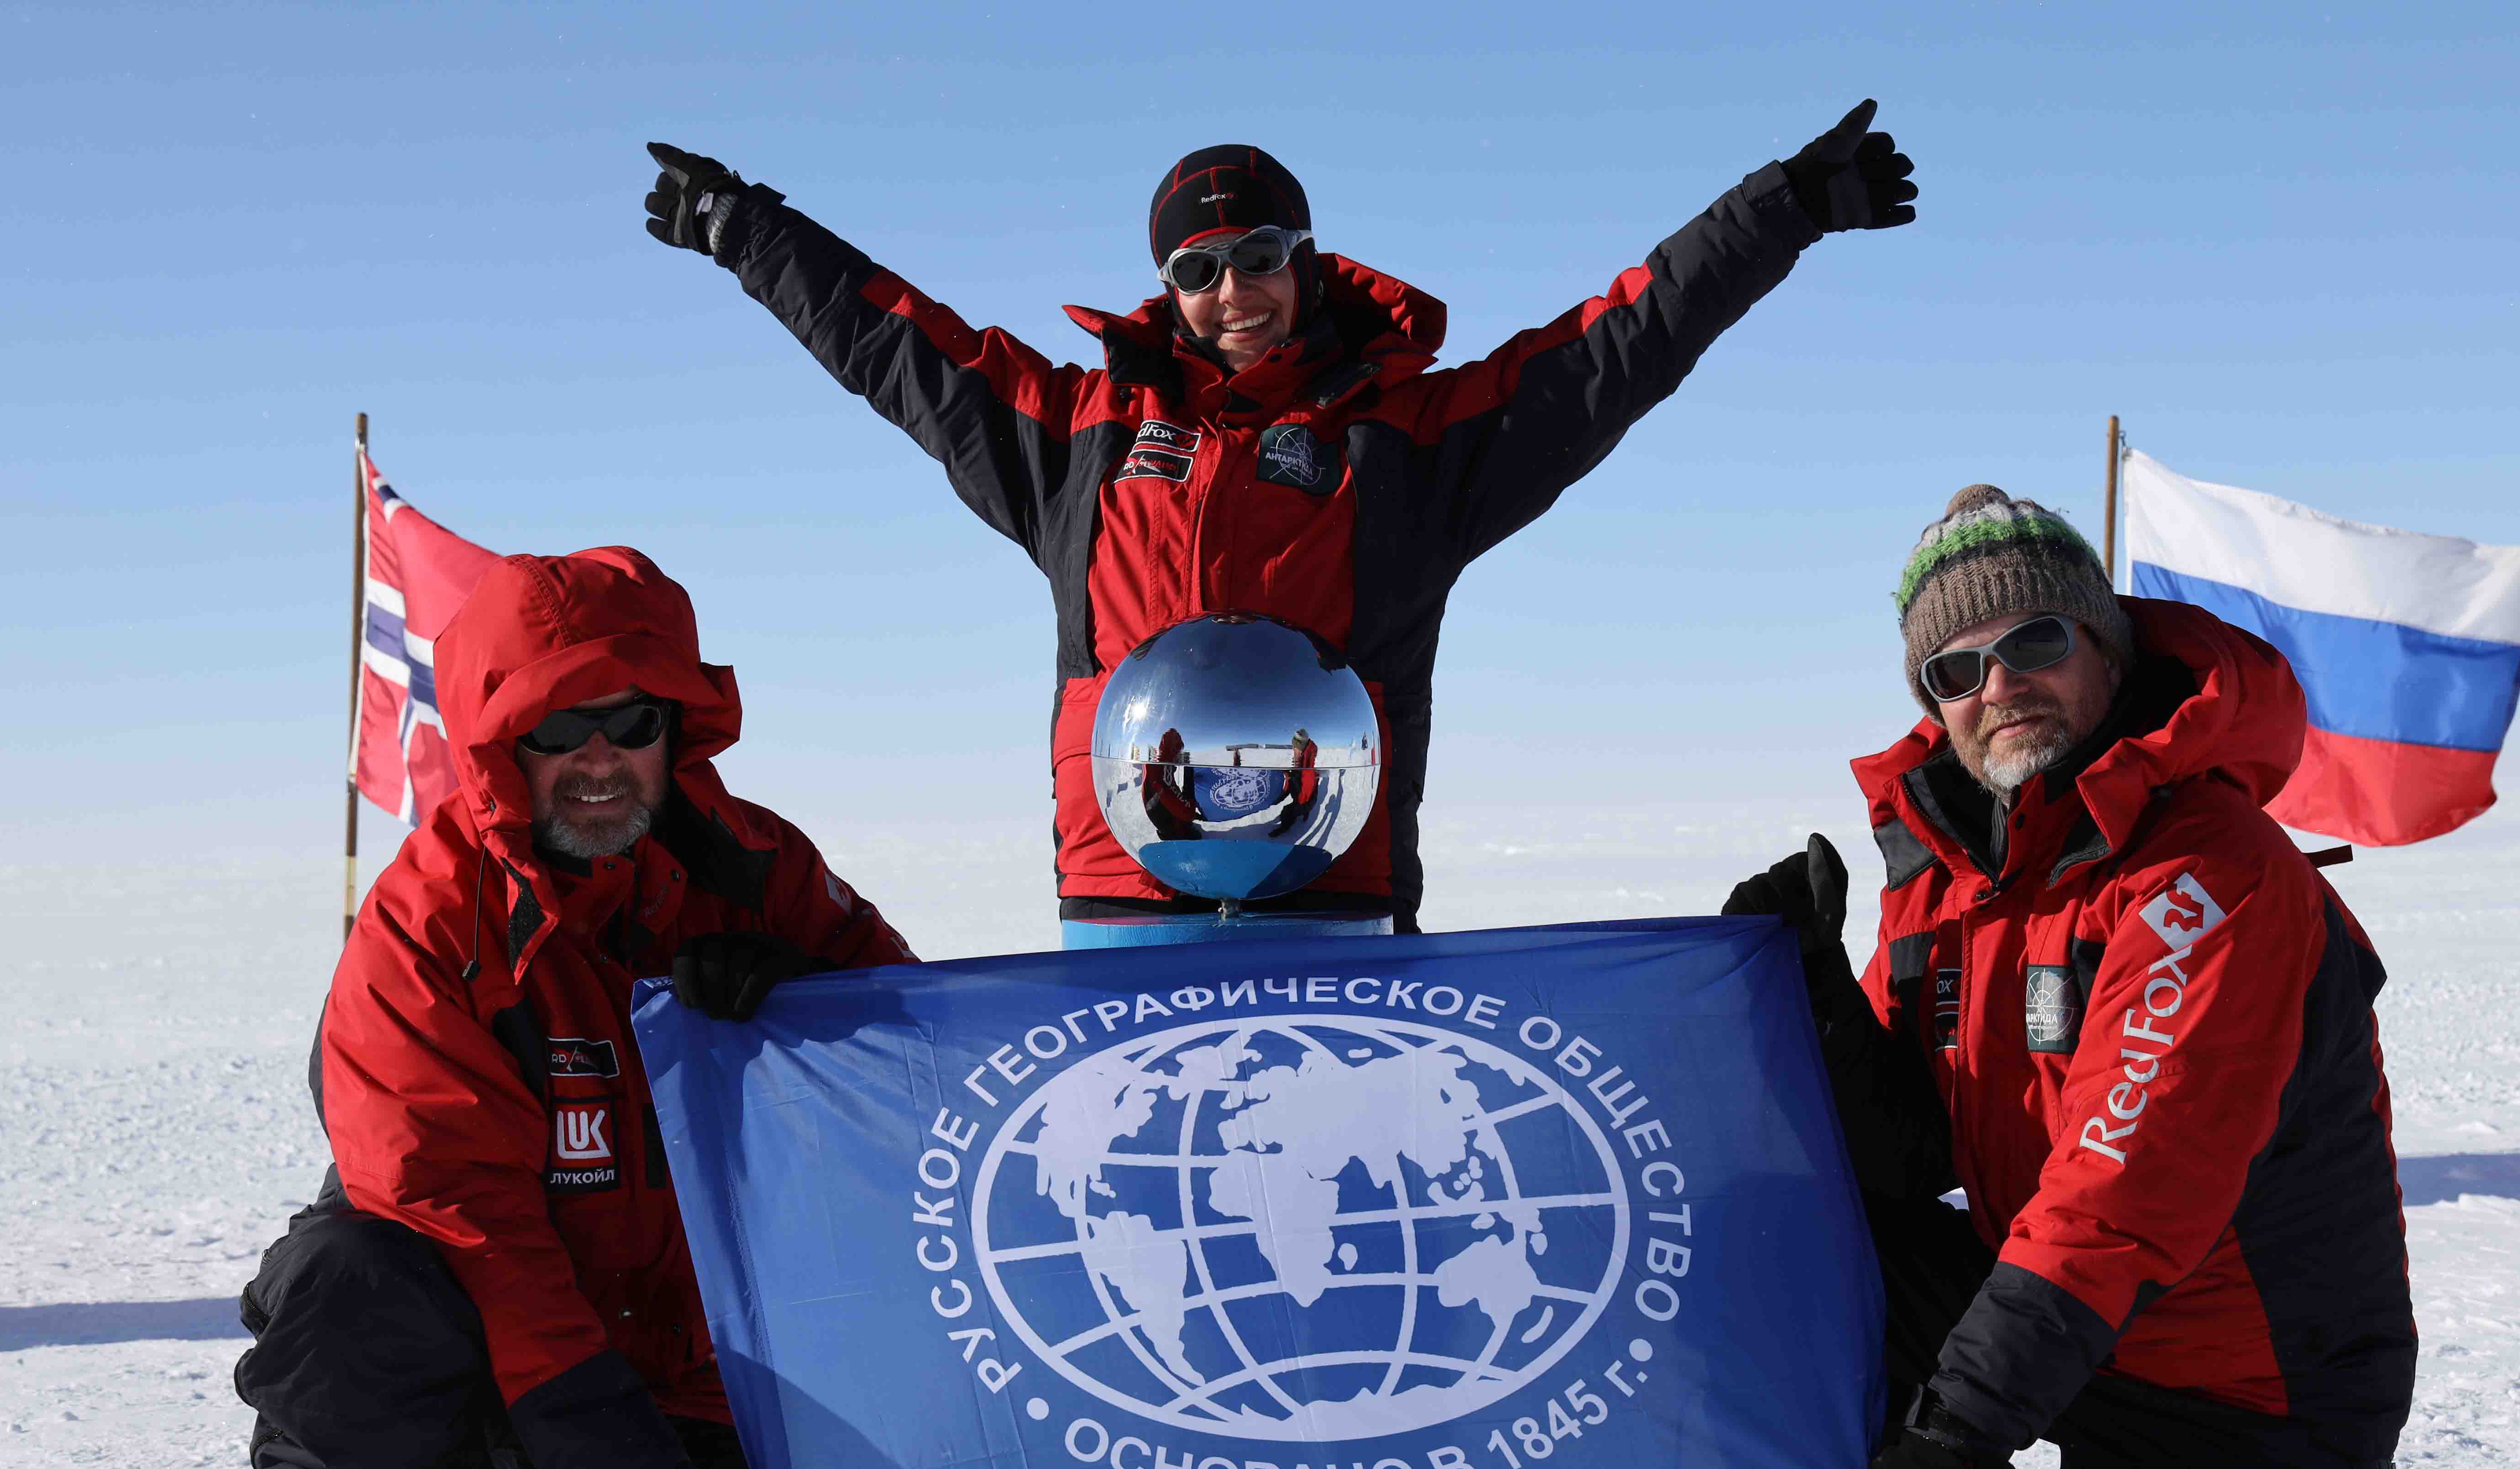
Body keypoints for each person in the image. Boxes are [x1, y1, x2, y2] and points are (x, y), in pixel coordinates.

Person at [635, 105, 1917, 944]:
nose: (1232, 289)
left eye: (1258, 254)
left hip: (1335, 908)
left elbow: (1616, 345)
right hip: (1120, 911)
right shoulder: (1077, 437)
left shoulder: (1413, 443)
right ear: (1167, 288)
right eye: (1197, 269)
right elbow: (895, 342)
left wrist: (1783, 208)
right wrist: (744, 228)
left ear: (1306, 260)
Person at [1644, 486, 2433, 1469]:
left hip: (2244, 1367)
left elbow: (2117, 1199)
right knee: (1752, 1249)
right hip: (2066, 1313)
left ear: (2109, 648)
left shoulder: (2210, 872)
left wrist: (1955, 1438)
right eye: (1956, 668)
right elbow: (1909, 1161)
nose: (1996, 684)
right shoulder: (1946, 867)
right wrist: (1821, 1005)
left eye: (2035, 642)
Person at [234, 546, 917, 1469]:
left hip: (684, 1383)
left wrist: (812, 1005)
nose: (600, 760)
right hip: (504, 1377)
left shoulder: (752, 866)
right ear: (501, 743)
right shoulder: (426, 933)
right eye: (558, 728)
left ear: (677, 731)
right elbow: (491, 1258)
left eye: (631, 723)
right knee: (348, 1291)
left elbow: (918, 1091)